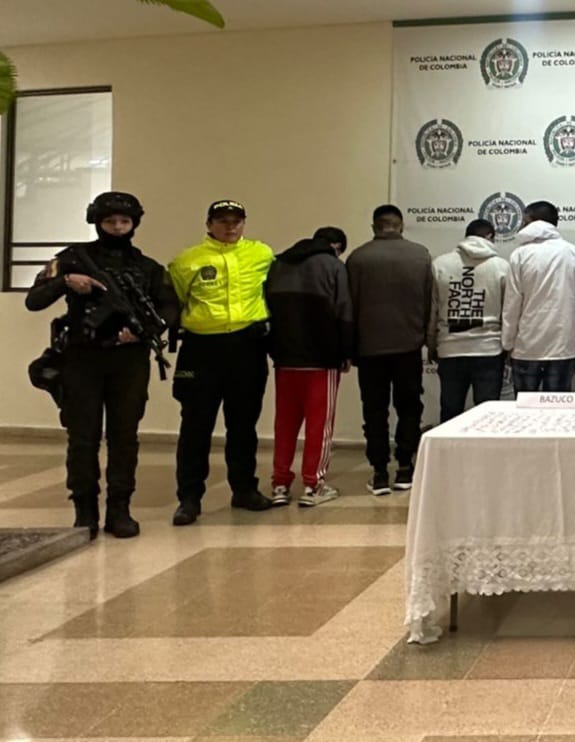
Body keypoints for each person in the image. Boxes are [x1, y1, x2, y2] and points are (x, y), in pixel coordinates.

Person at [25, 192, 178, 539]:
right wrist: (65, 281)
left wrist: (141, 332)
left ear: (134, 224)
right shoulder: (72, 259)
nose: (118, 228)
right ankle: (84, 510)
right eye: (110, 222)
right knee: (83, 438)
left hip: (128, 361)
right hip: (82, 359)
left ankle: (120, 509)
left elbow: (169, 308)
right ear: (98, 222)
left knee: (125, 437)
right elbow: (34, 300)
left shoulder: (147, 268)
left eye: (124, 222)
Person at [168, 199, 278, 525]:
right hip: (201, 349)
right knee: (195, 426)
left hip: (247, 346)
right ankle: (189, 498)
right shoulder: (187, 261)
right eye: (222, 221)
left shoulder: (262, 254)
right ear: (208, 224)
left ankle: (244, 489)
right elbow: (174, 302)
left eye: (236, 221)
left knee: (243, 424)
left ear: (244, 223)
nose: (230, 227)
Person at [348, 204, 433, 496]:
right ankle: (406, 468)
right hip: (408, 346)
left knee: (374, 410)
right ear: (401, 225)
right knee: (409, 407)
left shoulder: (357, 258)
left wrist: (350, 348)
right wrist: (426, 339)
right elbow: (429, 303)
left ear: (374, 227)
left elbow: (350, 309)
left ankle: (380, 471)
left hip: (370, 348)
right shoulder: (420, 255)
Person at [265, 227, 353, 508]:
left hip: (284, 358)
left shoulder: (277, 264)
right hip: (321, 359)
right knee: (320, 425)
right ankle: (313, 485)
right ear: (336, 246)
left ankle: (280, 483)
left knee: (285, 423)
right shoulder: (333, 266)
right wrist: (346, 352)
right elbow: (344, 312)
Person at [502, 201, 575, 393]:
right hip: (563, 343)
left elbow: (512, 304)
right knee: (558, 412)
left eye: (524, 221)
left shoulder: (519, 255)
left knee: (526, 410)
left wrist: (507, 343)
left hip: (527, 344)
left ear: (531, 220)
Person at [430, 219, 510, 421]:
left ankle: (448, 453)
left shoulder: (440, 263)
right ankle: (486, 453)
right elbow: (509, 311)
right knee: (488, 415)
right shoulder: (501, 266)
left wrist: (431, 342)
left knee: (450, 411)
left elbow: (432, 308)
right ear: (490, 236)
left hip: (450, 348)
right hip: (489, 348)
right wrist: (509, 345)